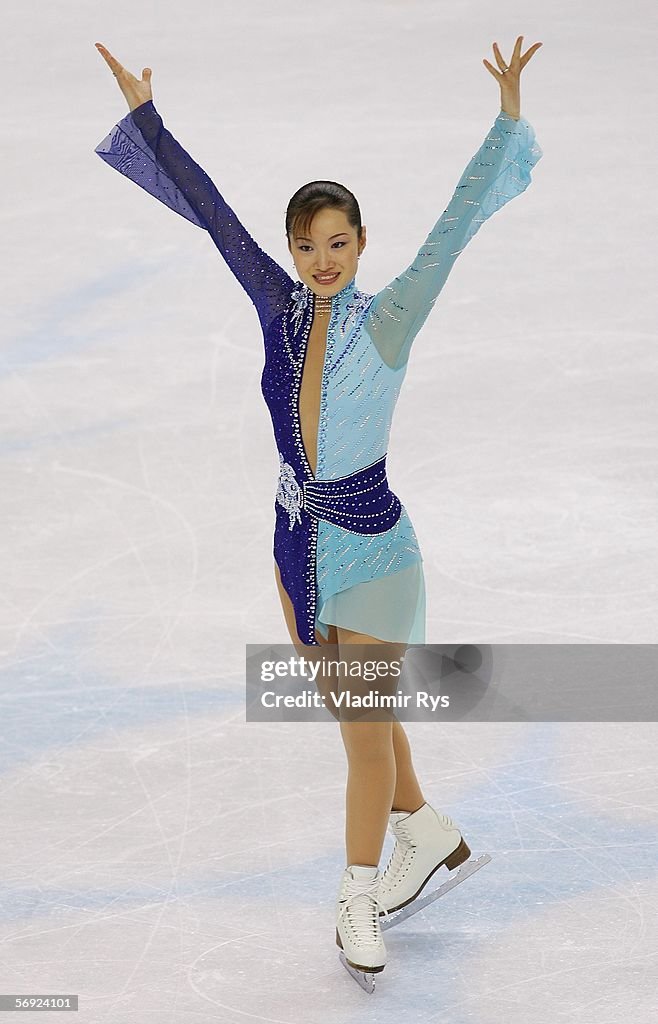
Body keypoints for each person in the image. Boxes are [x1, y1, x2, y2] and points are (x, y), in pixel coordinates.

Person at [93, 35, 543, 981]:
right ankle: (424, 831)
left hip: (375, 551)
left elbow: (450, 232)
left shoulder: (391, 316)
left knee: (359, 741)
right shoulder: (278, 306)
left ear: (360, 243)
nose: (321, 258)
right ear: (293, 247)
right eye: (307, 244)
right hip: (300, 544)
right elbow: (215, 219)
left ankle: (356, 895)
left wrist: (505, 126)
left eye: (338, 242)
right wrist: (148, 123)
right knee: (362, 723)